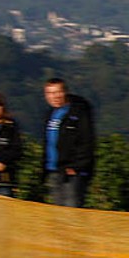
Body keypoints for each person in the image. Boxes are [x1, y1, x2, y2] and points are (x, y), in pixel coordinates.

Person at [41, 77, 97, 207]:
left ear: (65, 92)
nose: (54, 97)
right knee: (57, 211)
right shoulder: (50, 114)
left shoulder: (78, 112)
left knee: (71, 210)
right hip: (54, 170)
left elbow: (87, 140)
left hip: (72, 172)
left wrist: (77, 166)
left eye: (57, 92)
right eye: (50, 93)